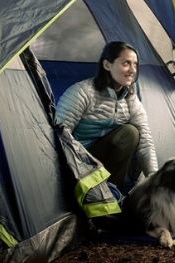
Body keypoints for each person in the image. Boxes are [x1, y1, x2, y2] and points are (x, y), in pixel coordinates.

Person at [55, 41, 158, 191]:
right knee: (129, 133)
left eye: (135, 64)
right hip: (79, 161)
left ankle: (112, 194)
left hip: (109, 165)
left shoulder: (130, 97)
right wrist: (82, 164)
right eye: (126, 63)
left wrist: (154, 176)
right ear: (107, 65)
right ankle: (96, 193)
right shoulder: (82, 92)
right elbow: (60, 134)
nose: (132, 70)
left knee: (134, 133)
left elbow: (145, 138)